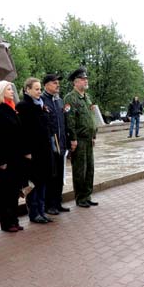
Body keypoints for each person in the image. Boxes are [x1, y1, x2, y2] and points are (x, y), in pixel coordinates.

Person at [0, 81, 28, 232]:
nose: (12, 91)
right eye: (9, 89)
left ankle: (14, 220)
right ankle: (7, 223)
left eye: (12, 89)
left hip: (16, 158)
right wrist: (1, 161)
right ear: (0, 92)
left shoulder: (11, 109)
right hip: (5, 159)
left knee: (14, 191)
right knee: (5, 193)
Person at [17, 77, 55, 224]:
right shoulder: (23, 106)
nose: (39, 92)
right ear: (28, 90)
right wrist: (26, 151)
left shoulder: (41, 105)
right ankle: (34, 212)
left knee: (43, 182)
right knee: (33, 183)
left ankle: (41, 210)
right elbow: (22, 132)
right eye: (36, 89)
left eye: (40, 89)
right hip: (32, 153)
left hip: (44, 151)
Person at [64, 67, 98, 208]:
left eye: (86, 79)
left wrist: (94, 135)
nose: (86, 81)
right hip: (79, 140)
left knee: (90, 169)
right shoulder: (70, 98)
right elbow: (70, 121)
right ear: (76, 82)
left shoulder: (86, 97)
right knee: (80, 170)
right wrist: (73, 139)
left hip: (88, 139)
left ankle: (87, 196)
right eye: (83, 80)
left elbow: (91, 117)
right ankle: (80, 198)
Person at [41, 74, 70, 215]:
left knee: (59, 176)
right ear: (46, 85)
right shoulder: (42, 101)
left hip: (61, 144)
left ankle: (58, 203)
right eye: (54, 83)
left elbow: (63, 123)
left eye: (58, 83)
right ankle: (49, 205)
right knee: (51, 176)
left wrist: (67, 142)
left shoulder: (59, 101)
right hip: (50, 145)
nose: (57, 85)